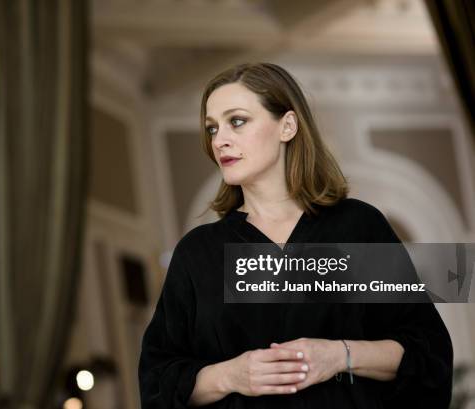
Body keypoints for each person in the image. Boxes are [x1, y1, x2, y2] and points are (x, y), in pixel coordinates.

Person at [138, 62, 453, 409]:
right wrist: (231, 375)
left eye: (237, 121)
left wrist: (339, 355)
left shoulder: (356, 227)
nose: (220, 140)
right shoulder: (198, 253)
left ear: (287, 125)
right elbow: (157, 381)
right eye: (212, 129)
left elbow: (427, 352)